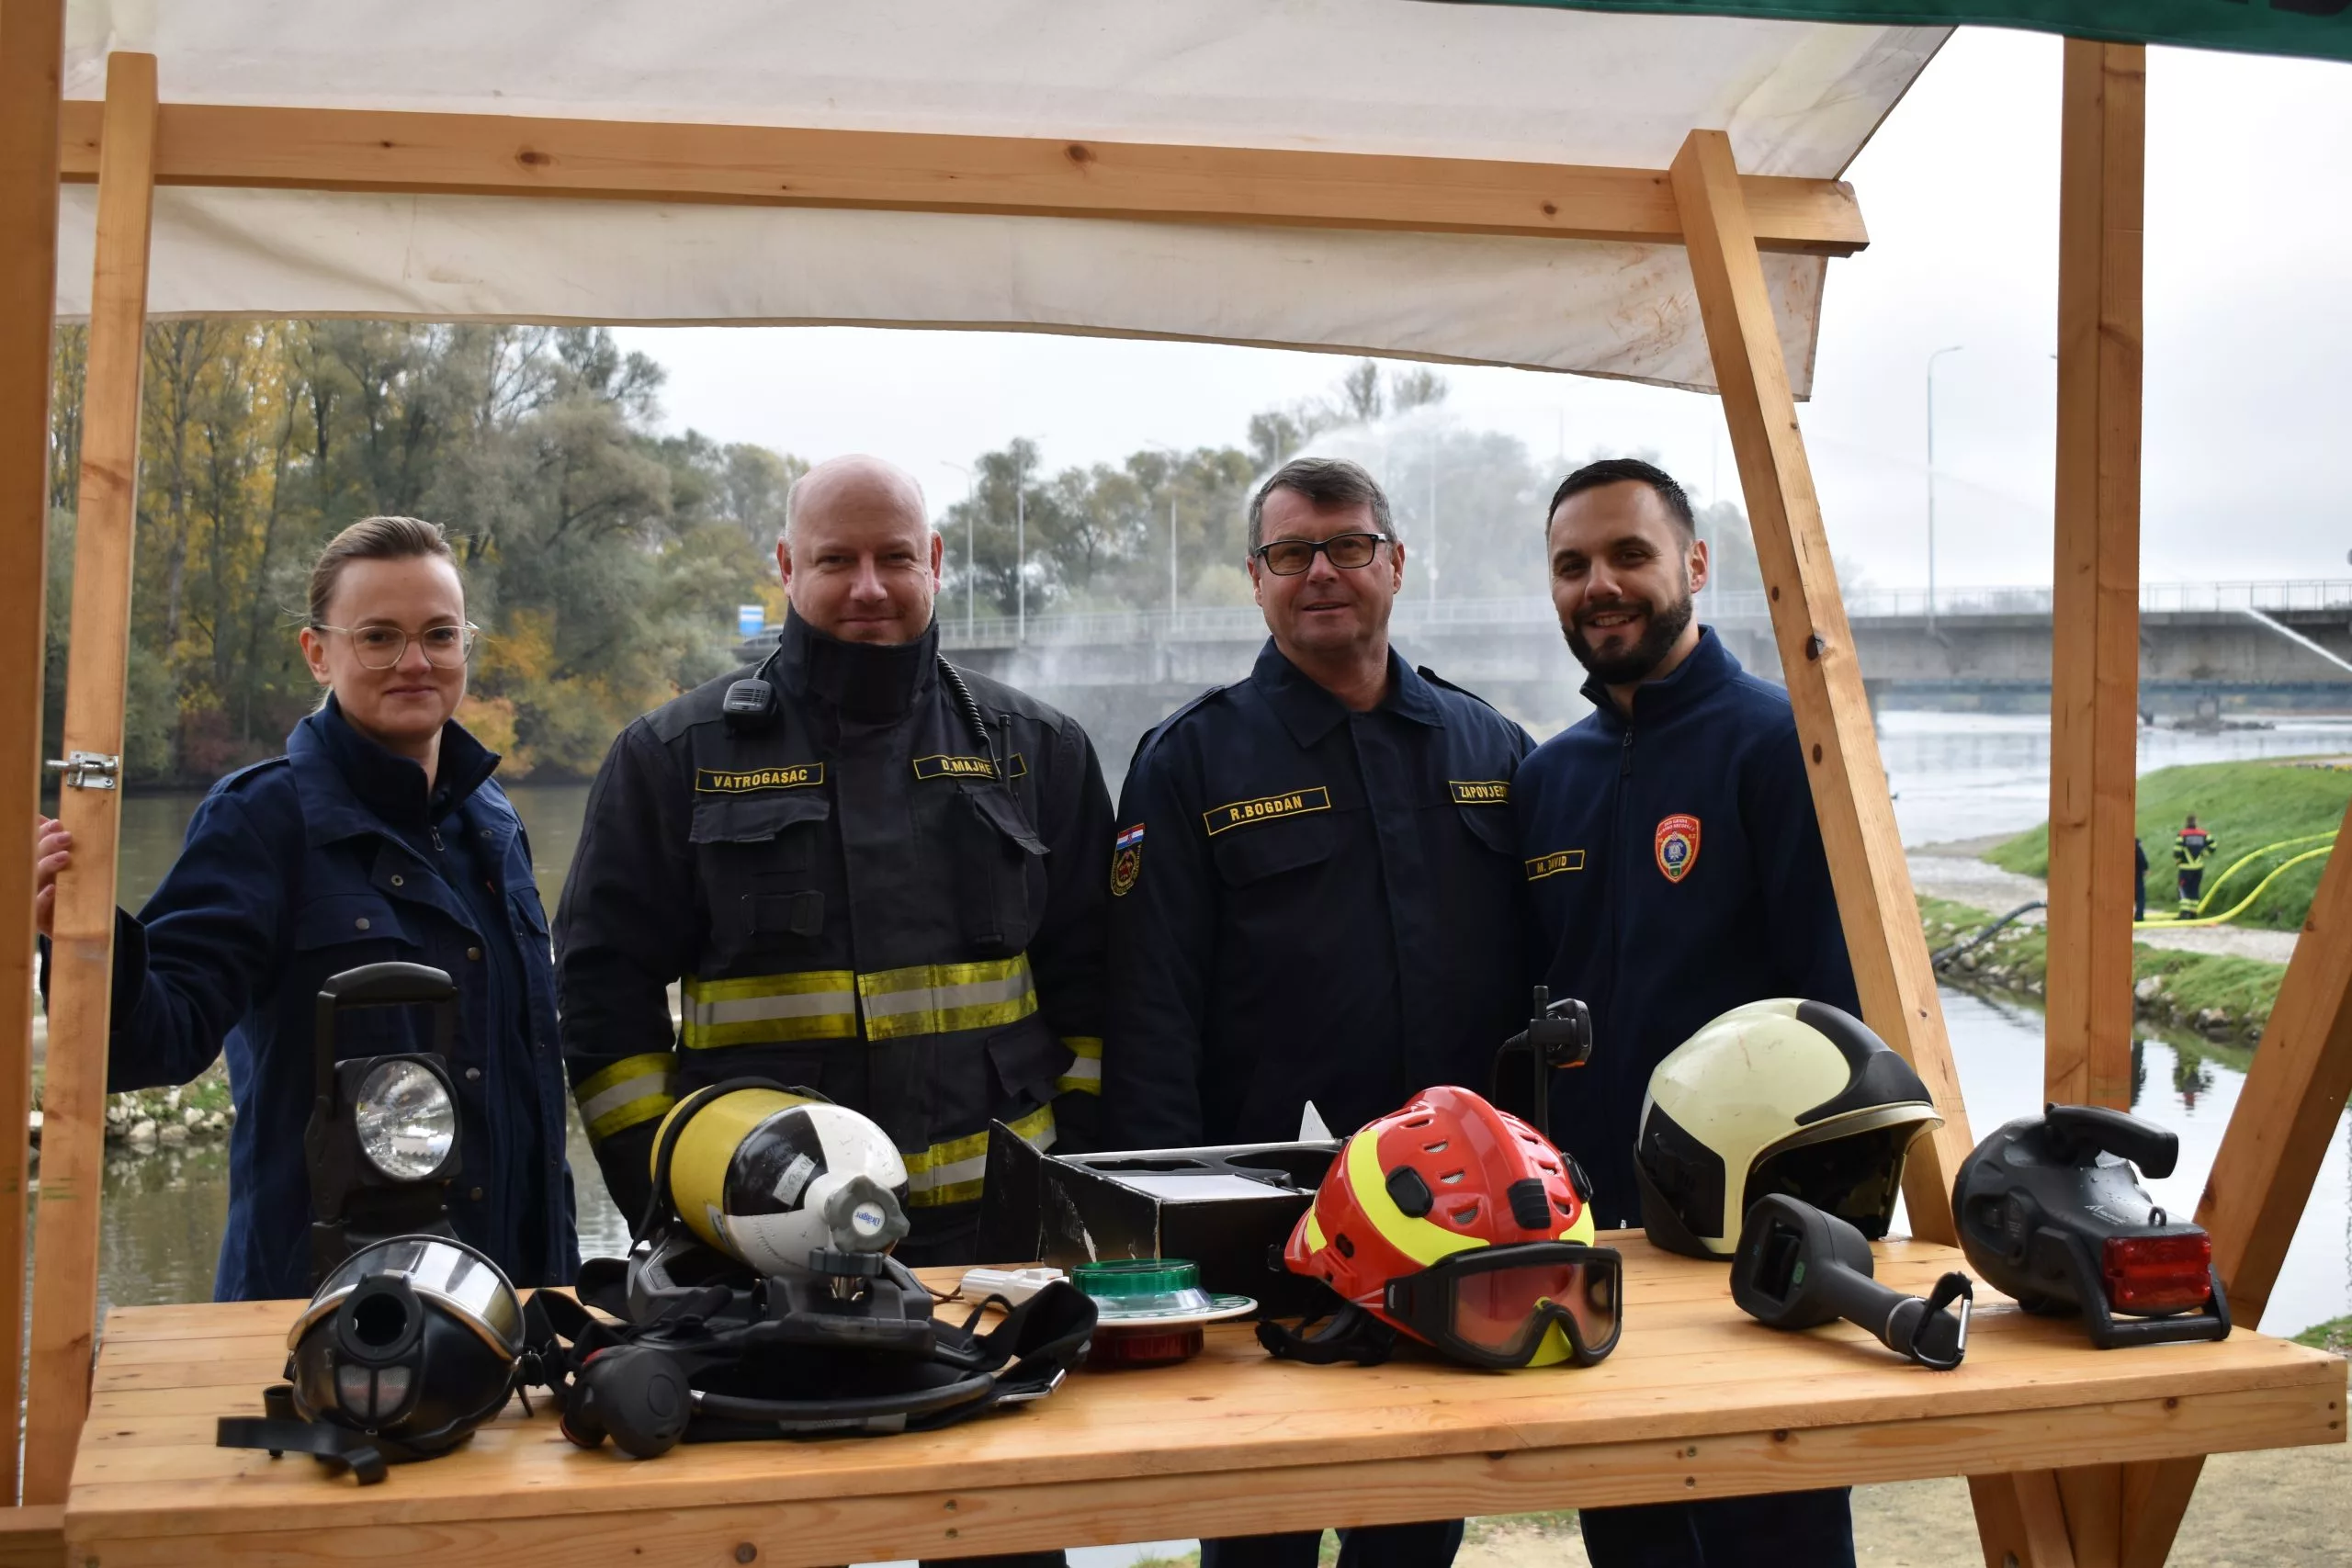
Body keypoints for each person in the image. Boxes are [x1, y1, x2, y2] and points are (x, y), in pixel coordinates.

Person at [1105, 457, 1532, 1568]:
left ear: (1395, 563)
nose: (1321, 572)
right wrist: (1167, 1239)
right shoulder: (1190, 759)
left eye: (1347, 545)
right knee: (1259, 1531)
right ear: (1255, 580)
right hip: (1263, 1234)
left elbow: (1539, 986)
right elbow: (1149, 1010)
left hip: (1452, 1219)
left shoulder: (1489, 749)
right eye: (1291, 552)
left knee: (1419, 1516)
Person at [556, 455, 1112, 1269]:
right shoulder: (673, 756)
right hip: (758, 1243)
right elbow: (602, 997)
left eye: (893, 557)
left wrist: (1084, 1166)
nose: (869, 587)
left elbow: (1098, 981)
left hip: (1005, 1238)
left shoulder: (1037, 749)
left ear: (935, 560)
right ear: (786, 566)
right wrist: (669, 1182)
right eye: (834, 560)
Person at [34, 516, 574, 1302]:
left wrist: (558, 1294)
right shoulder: (263, 819)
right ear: (317, 651)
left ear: (468, 645)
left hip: (507, 1304)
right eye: (379, 636)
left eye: (439, 634)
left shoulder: (492, 819)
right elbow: (155, 1039)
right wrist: (82, 931)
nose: (415, 662)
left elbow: (530, 1088)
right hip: (323, 1315)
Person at [1513, 458, 1860, 1568]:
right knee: (1631, 1533)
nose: (1599, 585)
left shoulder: (1779, 745)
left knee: (1777, 1533)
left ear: (1695, 566)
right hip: (1593, 1235)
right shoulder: (1547, 778)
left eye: (1628, 555)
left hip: (1750, 1241)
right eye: (1572, 565)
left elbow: (1842, 1013)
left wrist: (1827, 1230)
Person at [2175, 814, 2215, 917]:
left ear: (2186, 822)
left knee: (2183, 889)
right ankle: (2193, 913)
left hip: (2185, 868)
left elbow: (2177, 851)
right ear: (2196, 822)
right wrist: (2203, 854)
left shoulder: (2182, 834)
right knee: (2194, 889)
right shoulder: (2204, 834)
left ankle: (2184, 913)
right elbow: (2213, 846)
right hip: (2198, 867)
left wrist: (2178, 860)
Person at [2135, 836, 2149, 922]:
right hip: (2137, 873)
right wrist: (2145, 868)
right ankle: (2139, 916)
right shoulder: (2135, 843)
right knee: (2140, 896)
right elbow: (2141, 857)